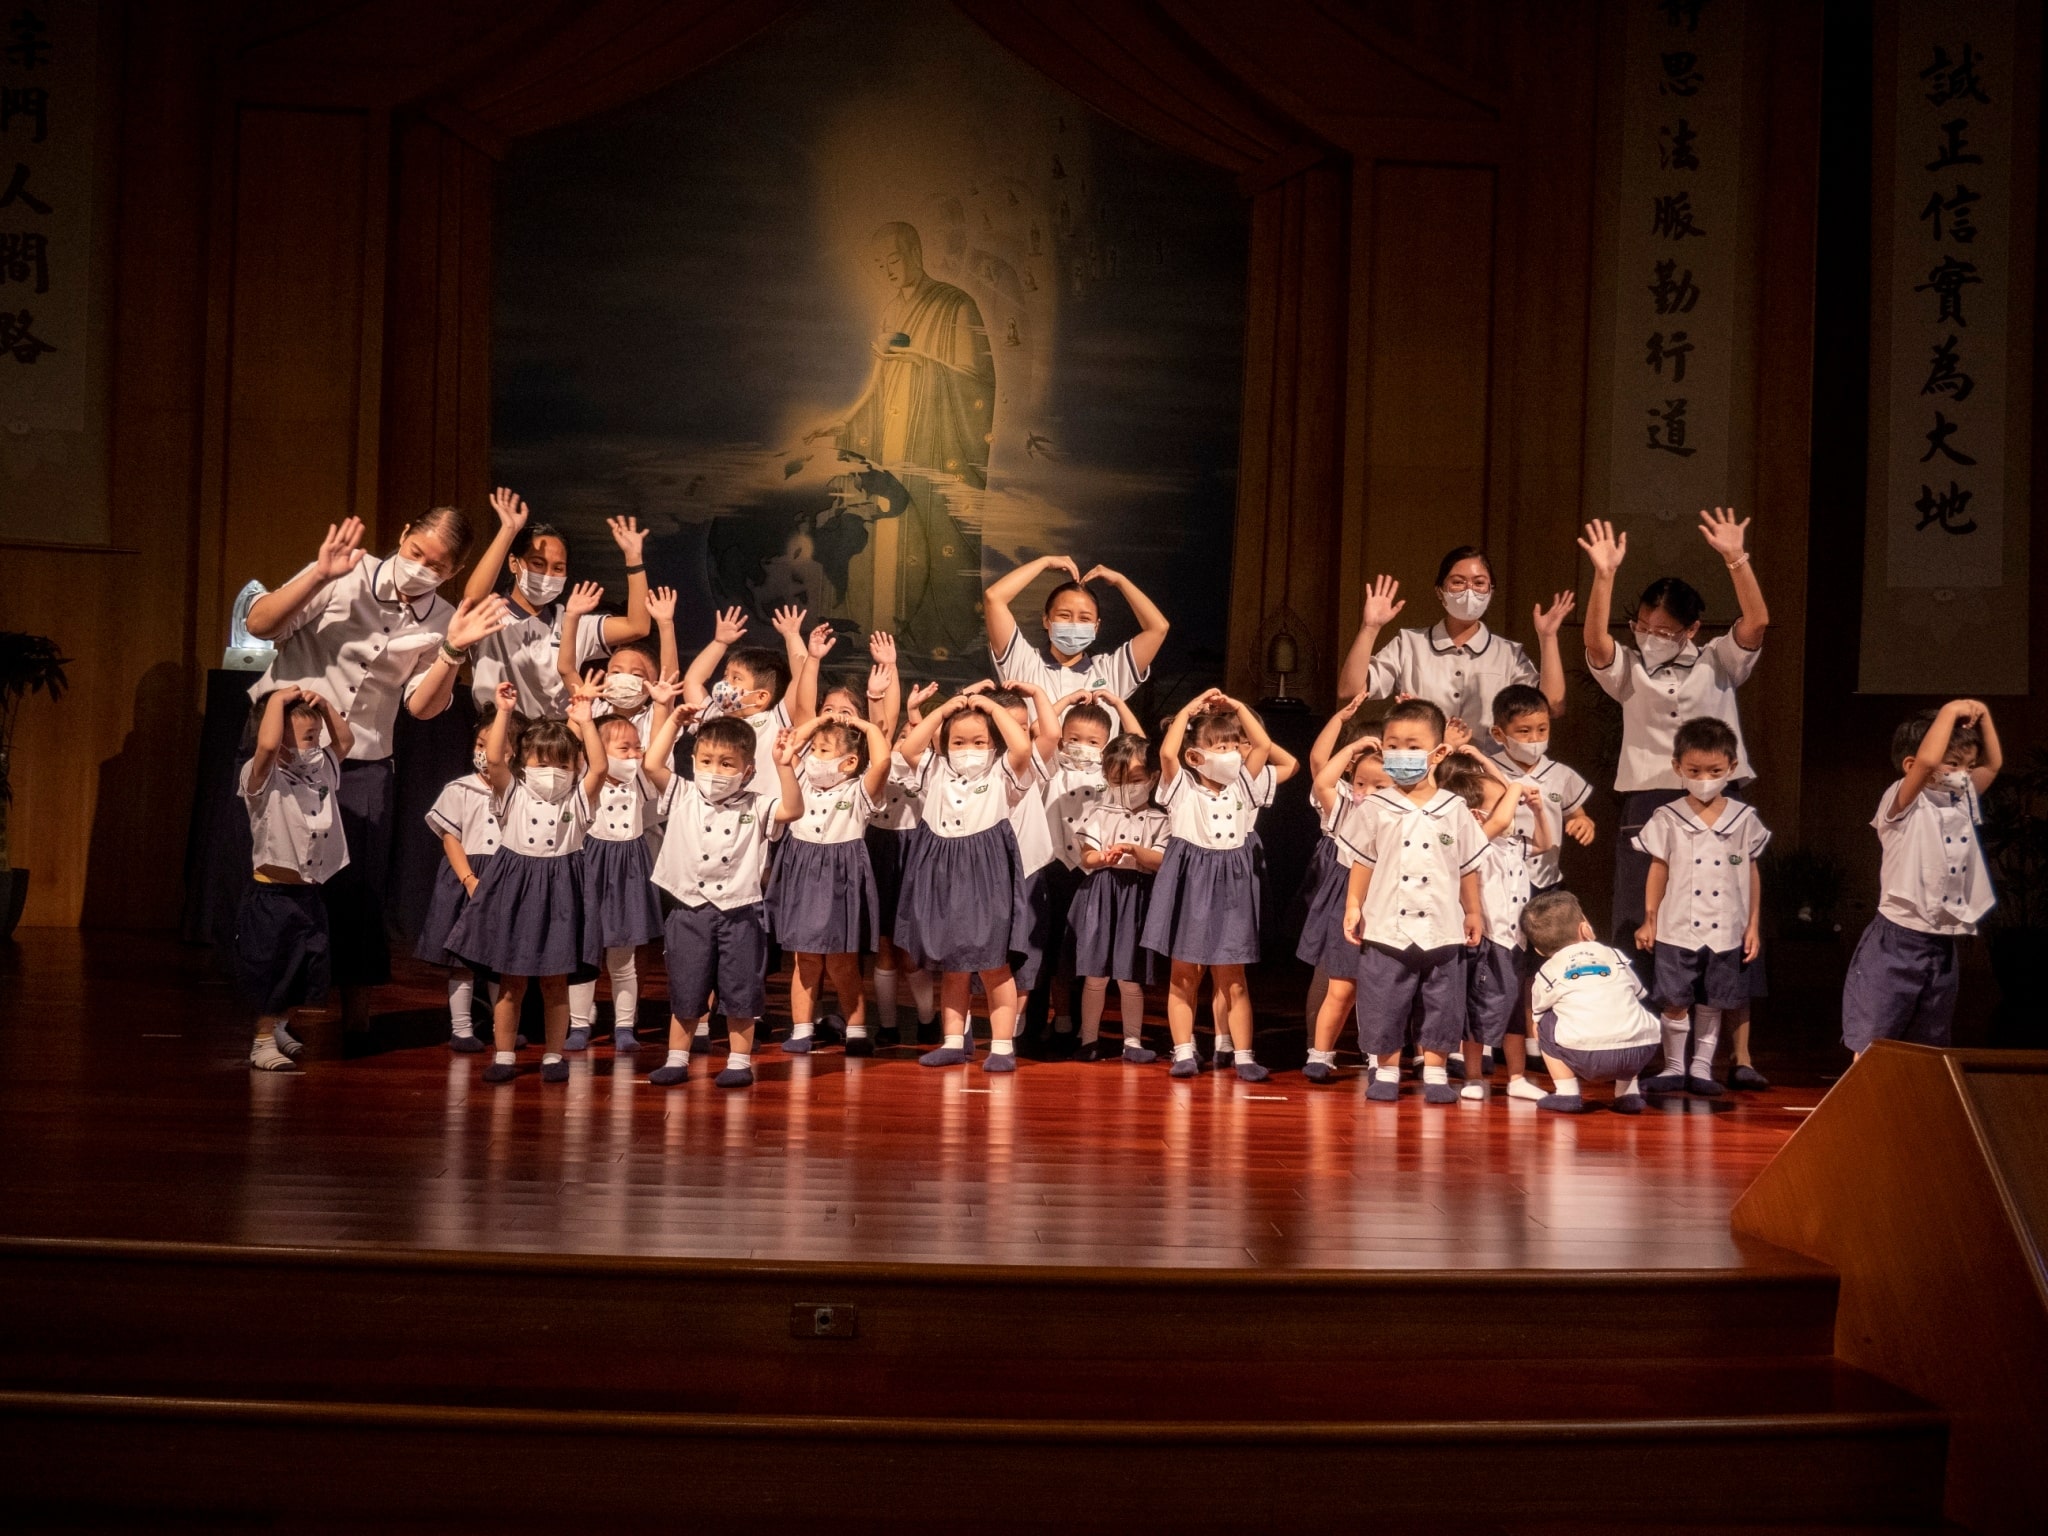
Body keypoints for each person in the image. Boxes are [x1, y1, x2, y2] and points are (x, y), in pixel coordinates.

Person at [244, 512, 508, 1032]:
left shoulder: (443, 619)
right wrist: (318, 573)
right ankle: (275, 1018)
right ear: (405, 533)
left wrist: (452, 651)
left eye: (438, 565)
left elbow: (423, 708)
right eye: (417, 553)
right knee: (285, 884)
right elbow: (260, 625)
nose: (422, 568)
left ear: (454, 571)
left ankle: (356, 1019)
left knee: (357, 891)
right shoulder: (344, 570)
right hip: (283, 752)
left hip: (361, 762)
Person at [1578, 510, 1768, 951]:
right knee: (1639, 918)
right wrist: (1604, 575)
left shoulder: (1719, 659)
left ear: (1692, 629)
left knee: (1718, 913)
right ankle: (1643, 1013)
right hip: (1649, 800)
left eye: (1664, 631)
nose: (1650, 636)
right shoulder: (1629, 668)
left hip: (1718, 800)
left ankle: (1709, 1011)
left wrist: (1737, 559)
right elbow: (1595, 643)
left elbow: (1756, 623)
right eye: (1643, 627)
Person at [445, 685, 605, 1086]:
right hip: (515, 888)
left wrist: (586, 723)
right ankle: (503, 1054)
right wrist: (503, 711)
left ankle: (553, 1054)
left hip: (561, 891)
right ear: (524, 763)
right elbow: (495, 758)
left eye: (562, 764)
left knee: (555, 982)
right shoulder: (512, 793)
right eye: (541, 762)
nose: (551, 772)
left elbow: (600, 770)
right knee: (510, 982)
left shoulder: (577, 800)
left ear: (574, 767)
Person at [641, 695, 801, 1088]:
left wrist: (784, 767)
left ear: (747, 771)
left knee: (740, 989)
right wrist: (675, 721)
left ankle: (739, 1061)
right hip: (688, 909)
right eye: (707, 761)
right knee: (686, 985)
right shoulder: (681, 794)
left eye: (727, 764)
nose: (715, 771)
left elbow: (793, 810)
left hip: (739, 911)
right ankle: (677, 1058)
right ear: (694, 761)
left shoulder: (757, 804)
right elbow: (651, 763)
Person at [1142, 690, 1298, 1081]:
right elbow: (1166, 753)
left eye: (1232, 745)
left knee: (1233, 977)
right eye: (1219, 746)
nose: (1230, 752)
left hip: (1232, 884)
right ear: (1195, 756)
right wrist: (1187, 711)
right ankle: (1183, 1051)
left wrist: (1238, 707)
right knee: (1184, 974)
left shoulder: (1245, 786)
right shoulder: (1182, 788)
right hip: (1190, 879)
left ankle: (1243, 1054)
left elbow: (1261, 743)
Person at [1340, 698, 1487, 1104]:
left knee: (1443, 1000)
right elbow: (1362, 861)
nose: (1401, 754)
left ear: (1438, 753)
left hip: (1442, 925)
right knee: (1383, 999)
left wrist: (1473, 911)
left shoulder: (1454, 809)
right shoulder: (1375, 806)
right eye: (1393, 745)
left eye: (1412, 746)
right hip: (1387, 924)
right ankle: (1386, 1069)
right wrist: (1354, 904)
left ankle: (1437, 1071)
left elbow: (1468, 866)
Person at [1841, 701, 2001, 1059]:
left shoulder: (1960, 800)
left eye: (1967, 767)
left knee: (1927, 1044)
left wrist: (1984, 715)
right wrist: (1949, 711)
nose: (1963, 774)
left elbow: (1992, 764)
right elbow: (1927, 761)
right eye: (1954, 764)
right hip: (1896, 940)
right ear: (1911, 766)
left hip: (1940, 946)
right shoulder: (1901, 802)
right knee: (1875, 1040)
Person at [891, 689, 1039, 1071]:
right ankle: (954, 1040)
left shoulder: (1002, 773)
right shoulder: (935, 770)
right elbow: (910, 749)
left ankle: (1002, 1046)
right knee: (953, 963)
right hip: (941, 871)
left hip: (985, 875)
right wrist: (942, 710)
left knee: (993, 962)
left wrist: (990, 707)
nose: (967, 748)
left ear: (993, 745)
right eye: (958, 741)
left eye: (978, 741)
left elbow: (1021, 748)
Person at [1633, 716, 1771, 1096]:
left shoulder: (1744, 819)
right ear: (1678, 767)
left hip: (1726, 928)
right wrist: (1650, 919)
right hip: (1677, 926)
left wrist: (1753, 925)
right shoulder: (1668, 817)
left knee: (1714, 1002)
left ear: (1731, 767)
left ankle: (1702, 1068)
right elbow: (1658, 869)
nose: (1705, 777)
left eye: (1714, 770)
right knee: (1674, 998)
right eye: (1694, 770)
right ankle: (1674, 1066)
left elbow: (1751, 874)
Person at [1019, 690, 1146, 1050]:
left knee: (1078, 951)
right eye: (1073, 739)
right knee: (1041, 948)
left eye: (1092, 741)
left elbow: (1139, 745)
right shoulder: (1051, 768)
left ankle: (1070, 1024)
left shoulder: (1111, 777)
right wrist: (1062, 703)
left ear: (1106, 745)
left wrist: (1120, 706)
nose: (1081, 746)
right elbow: (1037, 731)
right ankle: (1029, 1025)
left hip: (1090, 873)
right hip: (1051, 866)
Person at [236, 687, 353, 1072]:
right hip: (272, 895)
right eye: (306, 738)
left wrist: (326, 707)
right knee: (271, 969)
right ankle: (262, 1039)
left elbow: (346, 739)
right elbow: (267, 745)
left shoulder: (322, 770)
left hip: (308, 892)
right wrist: (276, 702)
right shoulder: (262, 775)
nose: (315, 745)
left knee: (304, 966)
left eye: (317, 738)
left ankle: (282, 1026)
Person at [1334, 548, 1573, 734]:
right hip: (1424, 776)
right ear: (1440, 590)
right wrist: (1370, 628)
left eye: (1479, 583)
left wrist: (1548, 638)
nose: (1469, 591)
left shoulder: (1508, 654)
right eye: (1458, 582)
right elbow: (1350, 690)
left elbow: (1552, 707)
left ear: (1491, 591)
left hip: (1486, 777)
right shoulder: (1409, 644)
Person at [462, 486, 651, 718]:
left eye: (558, 568)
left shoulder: (572, 621)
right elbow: (472, 599)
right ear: (514, 564)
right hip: (499, 733)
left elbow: (638, 626)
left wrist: (634, 558)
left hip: (556, 741)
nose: (547, 575)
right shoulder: (491, 614)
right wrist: (508, 531)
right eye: (538, 564)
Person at [770, 708, 894, 1057]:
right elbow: (792, 744)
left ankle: (855, 1029)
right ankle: (801, 1029)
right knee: (805, 958)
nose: (813, 757)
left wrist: (865, 725)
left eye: (823, 751)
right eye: (814, 750)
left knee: (841, 961)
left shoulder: (858, 792)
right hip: (802, 870)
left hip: (841, 876)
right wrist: (822, 723)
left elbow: (882, 762)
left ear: (849, 762)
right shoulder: (802, 782)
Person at [1436, 749, 1549, 1102]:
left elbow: (1546, 842)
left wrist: (1537, 808)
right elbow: (1498, 819)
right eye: (1502, 804)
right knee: (1479, 1010)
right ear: (1475, 813)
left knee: (1516, 1012)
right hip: (1487, 940)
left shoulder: (1512, 844)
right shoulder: (1476, 841)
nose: (1509, 810)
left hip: (1516, 941)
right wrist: (1515, 788)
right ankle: (1473, 1075)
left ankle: (1516, 1077)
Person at [562, 701, 669, 1053]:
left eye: (636, 746)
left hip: (629, 869)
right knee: (584, 953)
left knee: (623, 957)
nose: (635, 754)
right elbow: (575, 745)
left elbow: (658, 748)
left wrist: (664, 705)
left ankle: (625, 1025)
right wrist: (583, 721)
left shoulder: (639, 778)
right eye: (624, 748)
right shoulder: (583, 780)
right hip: (592, 866)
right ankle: (578, 1024)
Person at [415, 705, 512, 1054]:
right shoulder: (459, 789)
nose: (485, 753)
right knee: (463, 963)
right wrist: (469, 879)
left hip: (505, 879)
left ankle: (505, 1028)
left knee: (502, 963)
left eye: (495, 746)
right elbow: (449, 837)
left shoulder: (518, 790)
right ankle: (461, 1028)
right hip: (466, 877)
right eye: (480, 744)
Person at [1068, 730, 1168, 1063]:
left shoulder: (1161, 819)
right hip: (1102, 893)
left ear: (1152, 778)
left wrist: (1136, 852)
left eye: (1136, 778)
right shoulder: (1100, 814)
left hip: (1137, 898)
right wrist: (1102, 858)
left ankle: (1133, 1042)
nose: (1128, 786)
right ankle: (1089, 1038)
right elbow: (1087, 856)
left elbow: (1161, 861)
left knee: (1129, 977)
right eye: (1118, 780)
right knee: (1095, 974)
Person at [1522, 890, 1665, 1113]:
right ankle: (1628, 1094)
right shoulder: (1614, 955)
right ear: (1584, 928)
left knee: (1544, 1021)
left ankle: (1567, 1093)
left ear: (1539, 950)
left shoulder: (1548, 971)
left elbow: (1538, 1010)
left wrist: (1536, 1022)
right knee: (1630, 1006)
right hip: (1641, 1049)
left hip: (1587, 1057)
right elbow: (1640, 993)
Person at [1301, 728, 1388, 1083]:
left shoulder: (1401, 817)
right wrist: (1352, 747)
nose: (1367, 793)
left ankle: (1377, 1055)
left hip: (1384, 901)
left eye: (1380, 786)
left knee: (1381, 986)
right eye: (1361, 784)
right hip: (1347, 898)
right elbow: (1323, 781)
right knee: (1340, 984)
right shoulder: (1346, 811)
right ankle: (1320, 1054)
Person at [983, 554, 1170, 707]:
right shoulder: (1024, 662)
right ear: (1046, 621)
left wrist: (1120, 581)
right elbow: (994, 598)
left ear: (1096, 627)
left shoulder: (1110, 671)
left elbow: (1158, 628)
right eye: (1064, 615)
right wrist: (1044, 562)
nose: (1074, 624)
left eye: (1085, 618)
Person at [681, 605, 813, 794]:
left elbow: (803, 678)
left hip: (763, 816)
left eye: (736, 678)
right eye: (725, 676)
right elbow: (692, 682)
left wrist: (792, 636)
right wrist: (720, 642)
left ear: (761, 696)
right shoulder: (715, 719)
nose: (725, 683)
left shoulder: (776, 721)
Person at [1485, 683, 1594, 896]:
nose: (1534, 739)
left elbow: (1577, 815)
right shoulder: (1487, 771)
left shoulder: (1560, 774)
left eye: (1542, 729)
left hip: (1547, 880)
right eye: (1524, 731)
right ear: (1499, 734)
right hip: (1501, 881)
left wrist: (1582, 822)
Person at [557, 584, 683, 750]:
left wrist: (666, 624)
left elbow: (670, 679)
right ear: (606, 677)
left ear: (653, 685)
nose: (624, 678)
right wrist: (572, 617)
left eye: (637, 675)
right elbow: (567, 669)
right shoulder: (592, 709)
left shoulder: (655, 716)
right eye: (616, 672)